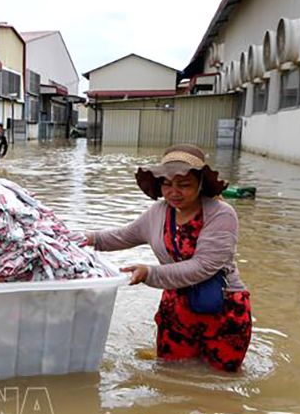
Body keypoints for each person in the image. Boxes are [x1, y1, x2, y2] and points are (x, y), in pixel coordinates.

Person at [85, 144, 252, 372]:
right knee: (170, 373)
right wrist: (84, 238)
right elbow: (124, 236)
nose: (173, 192)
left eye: (184, 185)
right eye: (167, 184)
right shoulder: (159, 213)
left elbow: (203, 267)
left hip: (222, 308)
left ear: (200, 184)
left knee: (221, 382)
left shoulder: (221, 214)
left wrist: (149, 273)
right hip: (176, 308)